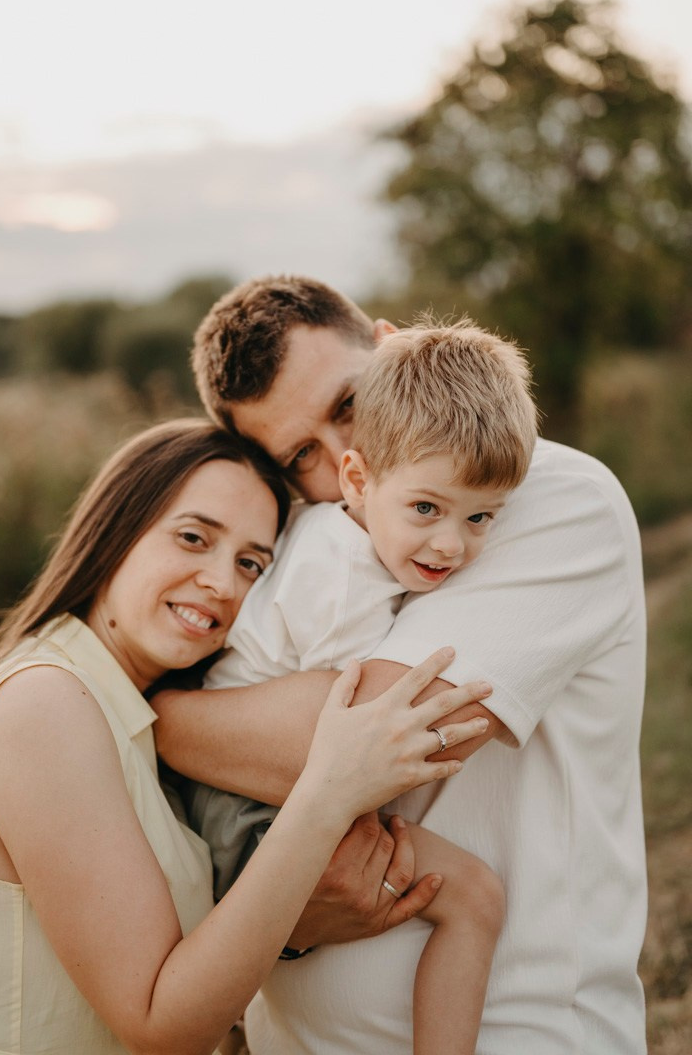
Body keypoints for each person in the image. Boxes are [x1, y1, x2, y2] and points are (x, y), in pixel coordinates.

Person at [154, 275, 648, 1055]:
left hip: (518, 1033)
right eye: (301, 456)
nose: (344, 461)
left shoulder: (543, 496)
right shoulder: (318, 537)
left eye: (348, 404)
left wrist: (155, 718)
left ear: (392, 350)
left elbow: (374, 736)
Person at [0, 418, 492, 1055]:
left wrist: (298, 925)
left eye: (251, 564)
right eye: (193, 538)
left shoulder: (136, 713)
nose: (223, 584)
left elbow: (170, 962)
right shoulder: (45, 704)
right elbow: (161, 1026)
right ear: (116, 529)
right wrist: (328, 794)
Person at [189, 318, 537, 1055]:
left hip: (242, 786)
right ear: (358, 480)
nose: (452, 544)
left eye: (480, 518)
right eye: (427, 510)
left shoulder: (354, 530)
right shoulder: (342, 577)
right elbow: (359, 735)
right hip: (244, 803)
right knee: (473, 898)